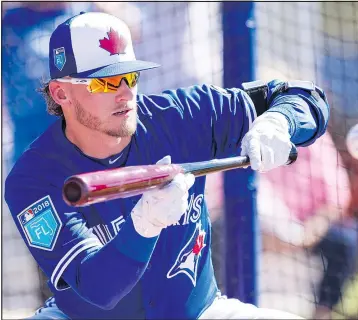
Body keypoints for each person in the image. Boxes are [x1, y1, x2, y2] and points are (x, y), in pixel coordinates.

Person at [4, 11, 330, 319]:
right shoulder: (32, 179)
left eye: (129, 76)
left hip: (200, 312)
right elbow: (98, 288)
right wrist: (145, 225)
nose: (124, 93)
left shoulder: (182, 115)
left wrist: (279, 122)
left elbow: (304, 96)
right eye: (104, 83)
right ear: (61, 93)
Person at [257, 129, 358, 319]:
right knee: (216, 233)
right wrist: (269, 235)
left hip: (310, 230)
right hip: (258, 229)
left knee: (348, 240)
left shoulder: (314, 132)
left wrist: (309, 234)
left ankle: (322, 314)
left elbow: (338, 196)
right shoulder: (250, 128)